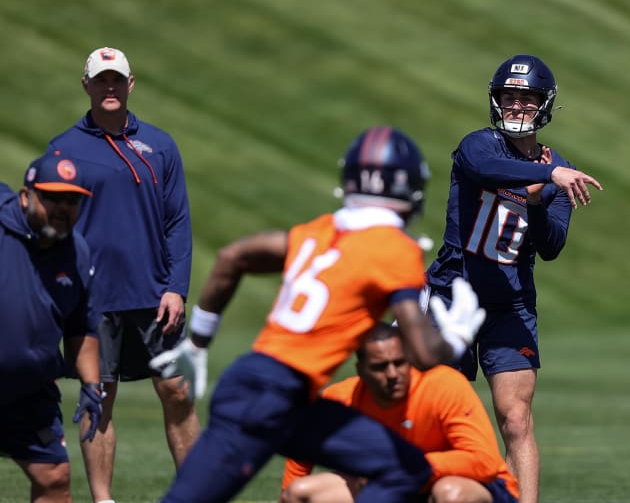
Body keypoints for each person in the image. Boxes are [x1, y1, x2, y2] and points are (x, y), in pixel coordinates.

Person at [149, 126, 487, 503]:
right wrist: (454, 338)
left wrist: (198, 343)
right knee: (404, 468)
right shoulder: (396, 248)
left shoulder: (320, 230)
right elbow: (423, 356)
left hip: (257, 387)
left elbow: (233, 257)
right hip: (274, 397)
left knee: (401, 466)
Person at [425, 54, 603, 503]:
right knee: (436, 412)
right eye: (509, 97)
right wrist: (548, 175)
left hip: (511, 303)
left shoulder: (557, 169)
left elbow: (552, 245)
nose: (517, 106)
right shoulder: (478, 146)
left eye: (526, 99)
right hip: (453, 294)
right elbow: (487, 171)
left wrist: (543, 200)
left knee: (517, 418)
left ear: (543, 106)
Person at [45, 46, 198, 503]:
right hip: (92, 299)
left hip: (155, 296)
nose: (109, 88)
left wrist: (176, 288)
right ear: (86, 86)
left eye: (117, 80)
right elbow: (50, 228)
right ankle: (103, 500)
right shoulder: (63, 149)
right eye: (101, 80)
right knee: (98, 397)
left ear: (130, 85)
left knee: (177, 392)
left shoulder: (161, 145)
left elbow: (178, 224)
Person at [279, 322, 520, 503]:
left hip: (471, 486)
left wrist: (404, 467)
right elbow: (301, 454)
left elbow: (485, 463)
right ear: (360, 370)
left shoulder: (444, 385)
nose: (393, 374)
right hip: (392, 486)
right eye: (380, 367)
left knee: (450, 494)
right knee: (300, 494)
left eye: (400, 362)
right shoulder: (341, 397)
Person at [1, 153, 103, 503]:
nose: (63, 208)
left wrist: (92, 386)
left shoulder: (78, 253)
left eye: (72, 201)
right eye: (53, 198)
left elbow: (82, 327)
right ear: (27, 196)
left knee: (55, 476)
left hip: (29, 394)